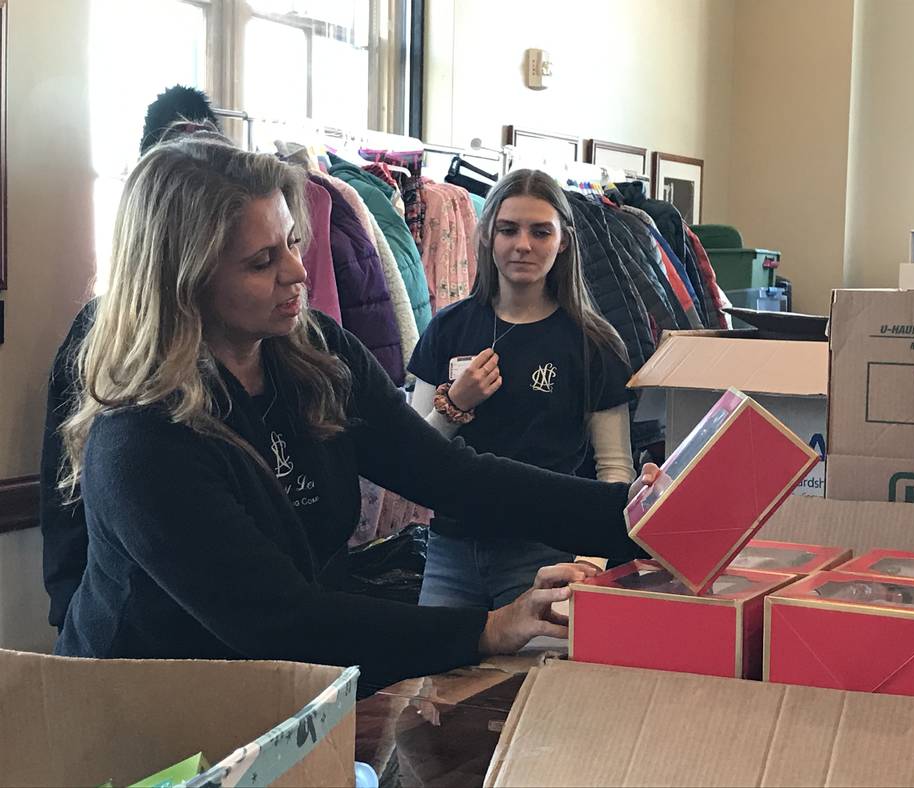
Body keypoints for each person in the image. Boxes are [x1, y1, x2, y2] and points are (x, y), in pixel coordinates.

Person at [52, 136, 656, 690]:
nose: (296, 271)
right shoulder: (142, 437)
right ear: (184, 279)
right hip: (145, 713)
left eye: (292, 241)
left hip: (286, 692)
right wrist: (489, 627)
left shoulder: (316, 354)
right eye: (261, 262)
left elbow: (452, 476)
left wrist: (640, 518)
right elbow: (280, 620)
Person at [40, 85, 225, 630]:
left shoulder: (251, 332)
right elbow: (64, 474)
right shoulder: (99, 330)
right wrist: (67, 604)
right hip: (123, 621)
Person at [408, 169, 636, 608]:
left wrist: (592, 561)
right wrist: (454, 406)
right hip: (450, 551)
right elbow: (412, 456)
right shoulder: (447, 329)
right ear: (488, 236)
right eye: (508, 230)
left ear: (563, 240)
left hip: (546, 555)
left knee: (531, 678)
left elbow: (614, 469)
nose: (523, 245)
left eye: (540, 231)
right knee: (436, 677)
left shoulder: (595, 343)